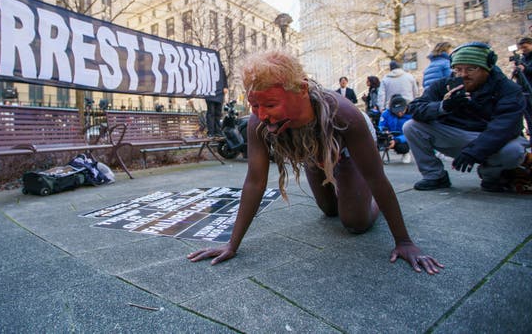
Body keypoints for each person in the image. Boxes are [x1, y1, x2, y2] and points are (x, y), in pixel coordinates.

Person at [187, 50, 443, 274]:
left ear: (301, 90)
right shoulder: (259, 120)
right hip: (309, 149)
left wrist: (404, 241)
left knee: (354, 223)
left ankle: (366, 201)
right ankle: (342, 188)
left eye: (270, 104)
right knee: (329, 210)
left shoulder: (344, 115)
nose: (262, 114)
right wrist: (232, 244)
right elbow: (255, 181)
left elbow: (376, 178)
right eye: (254, 105)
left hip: (343, 149)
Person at [404, 42, 527, 193]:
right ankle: (435, 175)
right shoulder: (444, 85)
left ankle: (491, 176)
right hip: (459, 136)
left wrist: (474, 151)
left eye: (471, 69)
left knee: (513, 151)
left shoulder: (507, 89)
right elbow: (415, 108)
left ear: (487, 69)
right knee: (411, 126)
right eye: (457, 69)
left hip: (492, 139)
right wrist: (443, 106)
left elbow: (505, 126)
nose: (463, 75)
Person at [378, 95, 412, 164]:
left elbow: (410, 134)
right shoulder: (386, 114)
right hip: (389, 136)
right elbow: (381, 126)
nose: (399, 113)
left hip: (403, 138)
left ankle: (406, 153)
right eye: (396, 111)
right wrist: (384, 133)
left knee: (402, 147)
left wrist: (396, 140)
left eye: (402, 111)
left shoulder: (412, 115)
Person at [512, 37, 532, 144]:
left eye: (525, 47)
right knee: (528, 117)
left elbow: (528, 70)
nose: (523, 50)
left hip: (530, 89)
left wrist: (525, 68)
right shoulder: (523, 59)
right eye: (522, 48)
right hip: (524, 91)